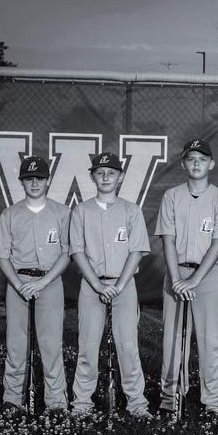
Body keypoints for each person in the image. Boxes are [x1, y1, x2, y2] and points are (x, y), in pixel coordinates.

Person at [69, 152, 152, 418]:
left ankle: (137, 403)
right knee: (88, 346)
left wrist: (118, 284)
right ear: (92, 176)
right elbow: (77, 251)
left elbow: (137, 251)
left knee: (128, 346)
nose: (106, 177)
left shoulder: (131, 210)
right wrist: (97, 284)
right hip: (92, 286)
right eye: (100, 172)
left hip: (124, 286)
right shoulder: (81, 211)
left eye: (111, 172)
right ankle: (82, 404)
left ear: (121, 177)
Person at [155, 138, 218, 415]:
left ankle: (213, 400)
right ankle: (170, 396)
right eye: (191, 159)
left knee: (212, 339)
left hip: (207, 276)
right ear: (183, 163)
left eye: (202, 159)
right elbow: (168, 239)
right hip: (177, 274)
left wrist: (194, 280)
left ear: (211, 163)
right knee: (173, 339)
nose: (196, 163)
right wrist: (177, 279)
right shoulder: (172, 196)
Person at [0, 155, 71, 413]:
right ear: (22, 182)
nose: (35, 182)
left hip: (49, 282)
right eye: (29, 178)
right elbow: (2, 256)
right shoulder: (10, 214)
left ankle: (56, 401)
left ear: (48, 181)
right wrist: (18, 284)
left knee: (51, 344)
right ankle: (12, 398)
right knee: (16, 344)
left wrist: (44, 282)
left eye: (39, 177)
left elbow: (66, 253)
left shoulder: (62, 213)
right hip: (19, 282)